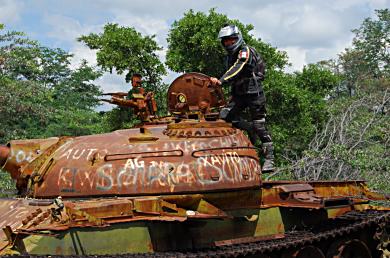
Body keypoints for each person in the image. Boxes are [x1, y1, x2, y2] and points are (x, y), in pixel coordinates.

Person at [209, 24, 274, 172]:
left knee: (260, 126)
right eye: (225, 41)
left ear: (237, 38)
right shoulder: (229, 56)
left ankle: (269, 159)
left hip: (254, 93)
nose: (228, 43)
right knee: (225, 116)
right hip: (239, 94)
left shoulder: (245, 51)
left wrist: (221, 80)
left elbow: (239, 67)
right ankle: (249, 129)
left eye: (231, 40)